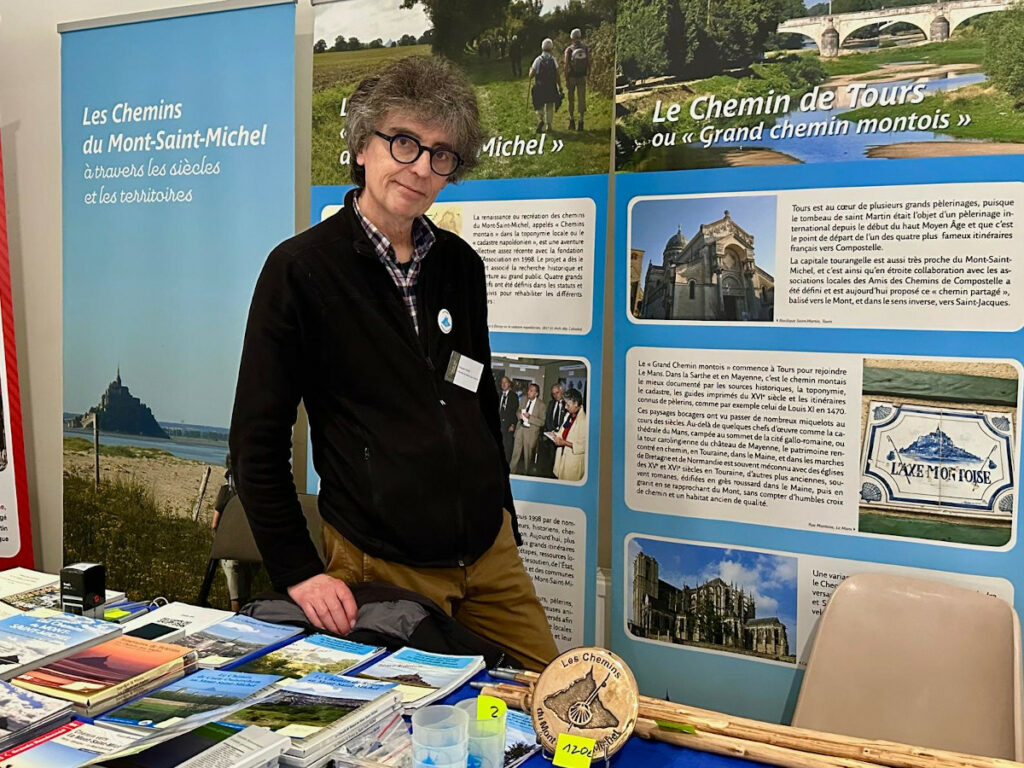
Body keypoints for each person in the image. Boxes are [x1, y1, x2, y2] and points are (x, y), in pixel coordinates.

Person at [229, 56, 558, 671]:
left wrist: (504, 520)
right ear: (362, 146)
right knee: (410, 719)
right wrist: (298, 570)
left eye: (441, 154)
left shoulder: (460, 266)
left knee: (548, 700)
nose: (421, 167)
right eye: (404, 142)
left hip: (487, 554)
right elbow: (255, 440)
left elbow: (478, 404)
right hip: (382, 562)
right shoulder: (300, 271)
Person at [210, 453, 252, 612]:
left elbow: (214, 523)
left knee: (235, 594)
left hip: (230, 548)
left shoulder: (226, 490)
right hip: (249, 546)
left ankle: (235, 618)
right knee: (246, 591)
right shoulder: (252, 491)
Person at [509, 383, 544, 476]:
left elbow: (542, 422)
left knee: (527, 456)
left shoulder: (541, 405)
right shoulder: (524, 399)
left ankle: (526, 474)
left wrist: (530, 418)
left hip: (530, 432)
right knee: (515, 453)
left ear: (536, 393)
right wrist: (518, 414)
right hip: (520, 429)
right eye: (528, 390)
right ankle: (511, 472)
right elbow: (518, 410)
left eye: (531, 391)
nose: (528, 392)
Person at [552, 388, 587, 482]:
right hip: (563, 455)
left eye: (568, 405)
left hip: (573, 461)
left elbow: (584, 446)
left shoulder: (584, 421)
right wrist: (554, 435)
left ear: (576, 404)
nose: (565, 407)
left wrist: (564, 443)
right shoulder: (568, 415)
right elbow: (563, 431)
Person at [528, 38, 560, 134]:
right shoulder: (553, 60)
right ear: (551, 48)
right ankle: (549, 125)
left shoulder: (538, 60)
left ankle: (541, 119)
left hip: (540, 86)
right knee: (549, 106)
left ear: (542, 47)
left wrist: (530, 71)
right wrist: (560, 86)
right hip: (551, 86)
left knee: (539, 104)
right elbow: (557, 74)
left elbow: (531, 75)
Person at [563, 28, 589, 132]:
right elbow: (589, 62)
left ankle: (572, 120)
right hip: (582, 76)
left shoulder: (569, 50)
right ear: (580, 36)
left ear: (572, 38)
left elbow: (566, 65)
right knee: (581, 98)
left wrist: (566, 78)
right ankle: (581, 122)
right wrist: (588, 73)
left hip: (572, 77)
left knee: (571, 99)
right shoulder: (585, 48)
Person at [536, 383, 564, 478]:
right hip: (551, 435)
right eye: (553, 393)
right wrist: (550, 429)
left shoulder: (567, 404)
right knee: (551, 457)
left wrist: (559, 432)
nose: (555, 395)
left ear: (562, 391)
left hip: (562, 436)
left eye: (557, 392)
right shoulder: (551, 403)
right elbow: (548, 418)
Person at [497, 376, 519, 463]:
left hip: (508, 426)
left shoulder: (514, 396)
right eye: (502, 382)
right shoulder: (498, 395)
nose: (503, 384)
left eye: (505, 382)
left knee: (507, 446)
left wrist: (513, 424)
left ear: (509, 384)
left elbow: (515, 411)